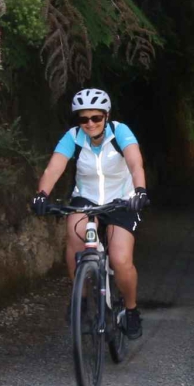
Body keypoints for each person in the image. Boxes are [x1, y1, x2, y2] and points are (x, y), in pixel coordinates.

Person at [31, 88, 149, 340]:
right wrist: (41, 194)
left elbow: (135, 163)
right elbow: (54, 168)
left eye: (96, 118)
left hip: (122, 201)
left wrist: (139, 191)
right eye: (83, 119)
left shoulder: (120, 132)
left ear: (106, 116)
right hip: (86, 198)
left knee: (120, 258)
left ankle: (130, 309)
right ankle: (80, 298)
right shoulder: (73, 137)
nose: (90, 124)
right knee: (75, 237)